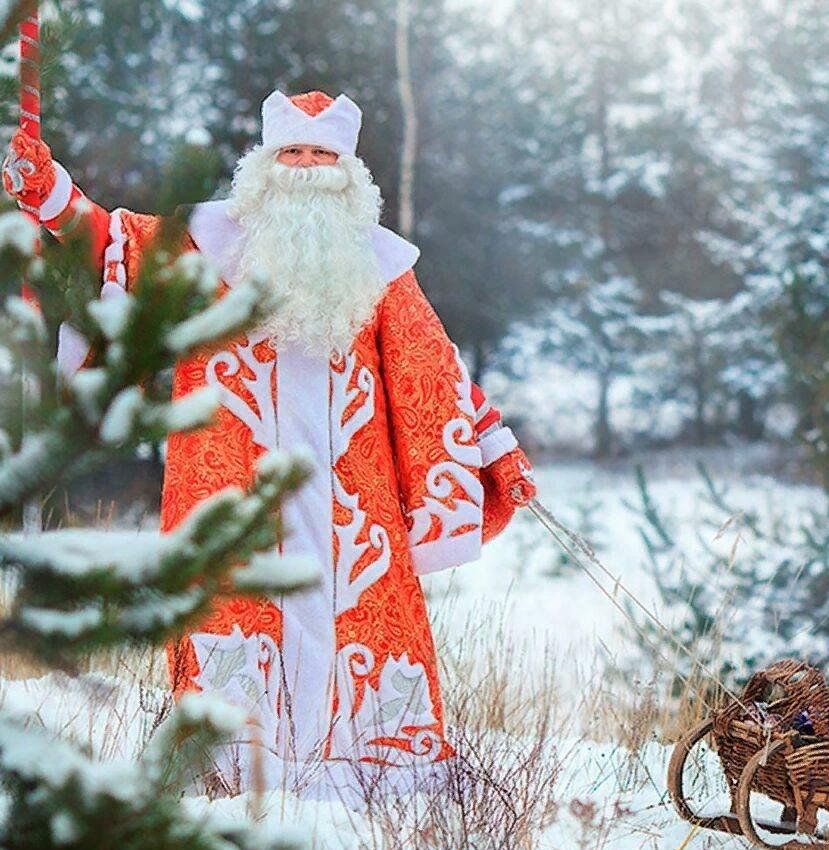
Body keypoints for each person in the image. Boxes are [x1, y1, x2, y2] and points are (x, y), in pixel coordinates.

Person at [3, 90, 538, 796]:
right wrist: (48, 192)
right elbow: (109, 249)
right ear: (264, 164)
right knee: (228, 620)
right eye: (294, 152)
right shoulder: (203, 246)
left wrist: (494, 451)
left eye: (323, 155)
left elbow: (433, 370)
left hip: (354, 509)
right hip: (230, 495)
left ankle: (375, 773)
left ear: (348, 172)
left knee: (369, 634)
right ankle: (230, 773)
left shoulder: (381, 268)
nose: (308, 167)